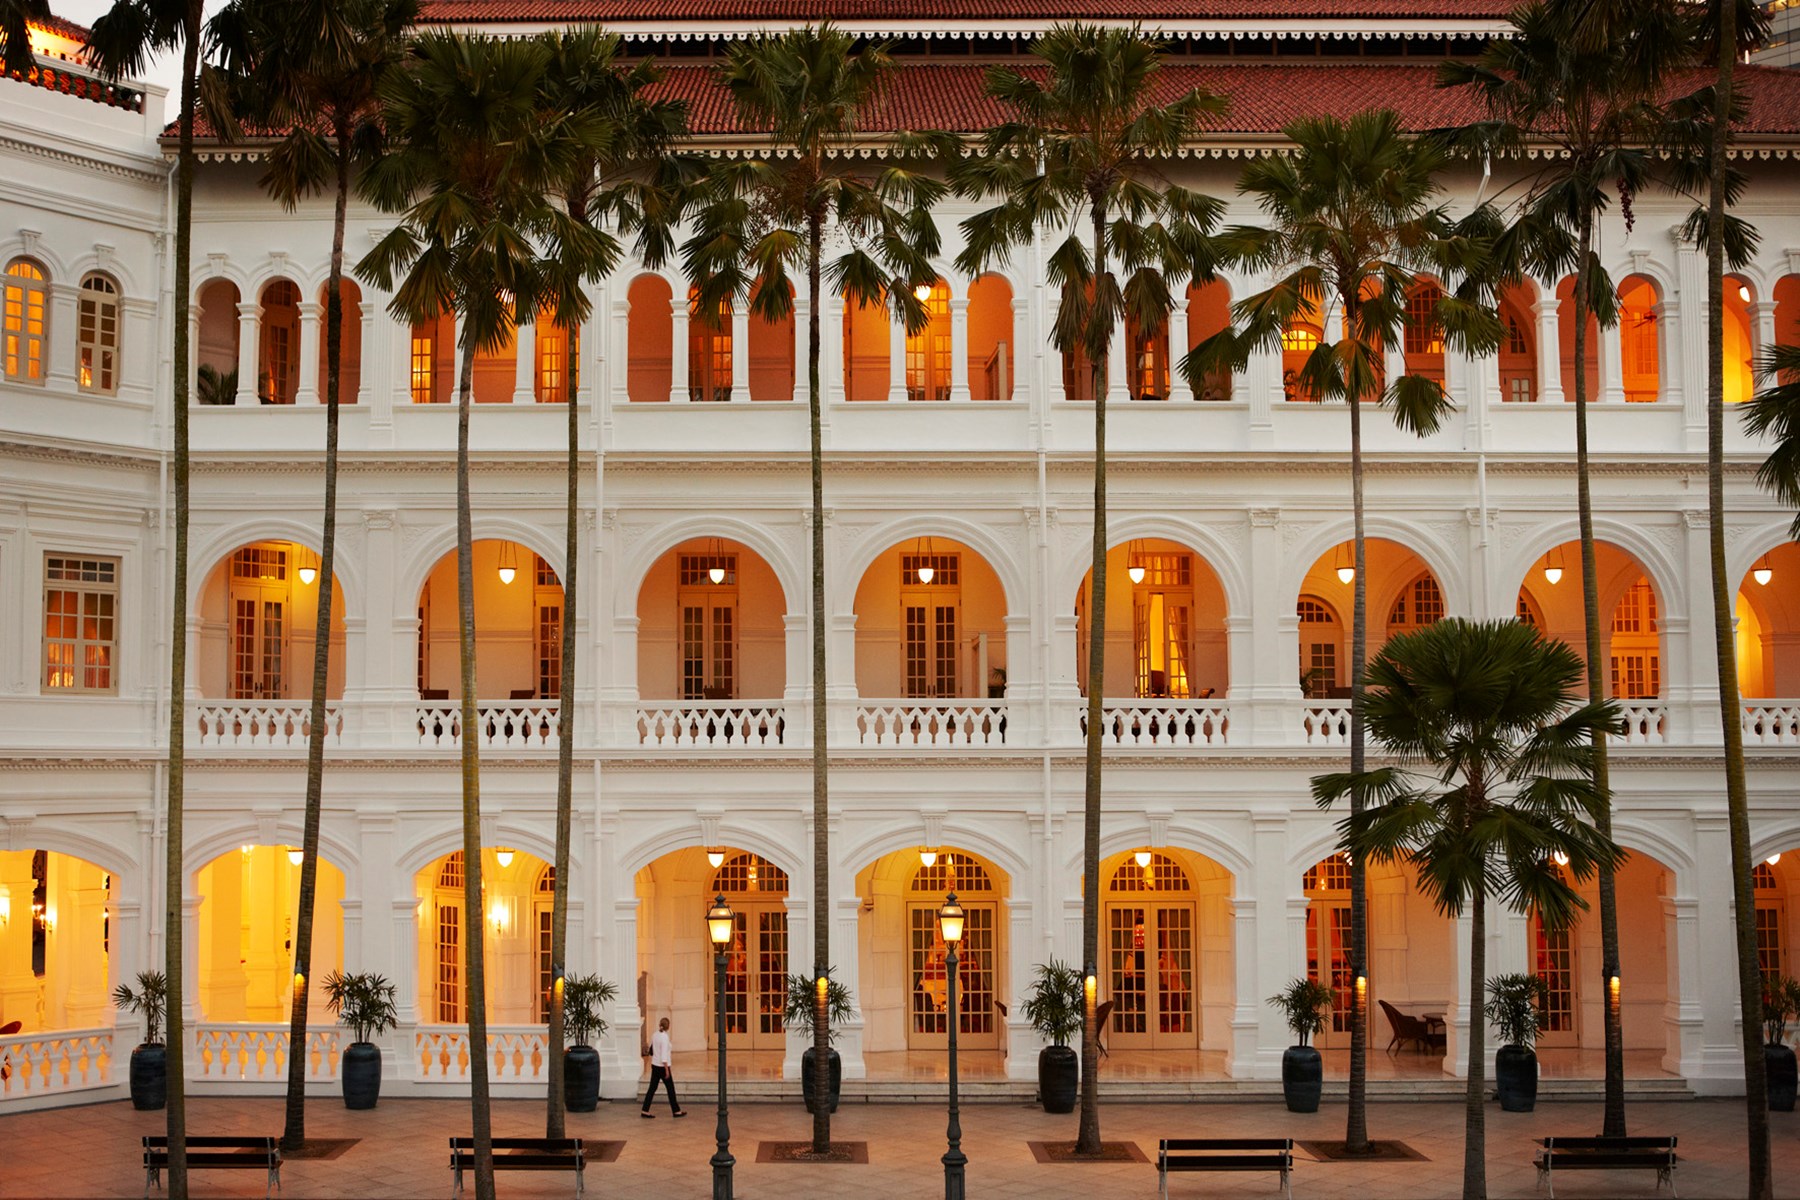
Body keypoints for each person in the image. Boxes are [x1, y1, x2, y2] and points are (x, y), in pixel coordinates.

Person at [640, 1016, 685, 1118]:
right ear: (668, 1027)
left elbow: (651, 1048)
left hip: (654, 1065)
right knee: (670, 1089)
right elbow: (664, 1055)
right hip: (663, 1066)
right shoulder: (664, 1037)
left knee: (652, 1088)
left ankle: (645, 1109)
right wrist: (666, 1070)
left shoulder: (655, 1035)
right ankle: (676, 1111)